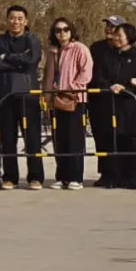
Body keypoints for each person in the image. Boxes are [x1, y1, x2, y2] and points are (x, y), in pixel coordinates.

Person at [0, 6, 45, 190]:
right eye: (12, 18)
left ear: (26, 21)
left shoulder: (33, 40)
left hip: (28, 95)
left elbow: (32, 61)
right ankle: (10, 177)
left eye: (20, 18)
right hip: (5, 96)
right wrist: (20, 60)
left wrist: (7, 57)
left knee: (33, 138)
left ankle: (35, 177)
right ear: (7, 20)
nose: (16, 22)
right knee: (7, 139)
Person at [90, 18, 136, 189]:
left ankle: (134, 176)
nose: (115, 38)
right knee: (110, 140)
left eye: (119, 35)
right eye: (114, 35)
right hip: (110, 104)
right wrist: (110, 86)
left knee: (130, 140)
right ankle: (112, 175)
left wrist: (127, 86)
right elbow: (99, 76)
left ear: (128, 37)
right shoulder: (107, 55)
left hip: (129, 106)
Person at [44, 19, 93, 190]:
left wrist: (71, 88)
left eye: (66, 29)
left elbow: (86, 72)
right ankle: (62, 177)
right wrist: (47, 96)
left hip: (75, 100)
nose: (62, 33)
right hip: (56, 100)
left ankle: (75, 177)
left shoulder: (80, 48)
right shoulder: (52, 51)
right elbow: (48, 75)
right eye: (58, 30)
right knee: (59, 140)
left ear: (71, 31)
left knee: (74, 139)